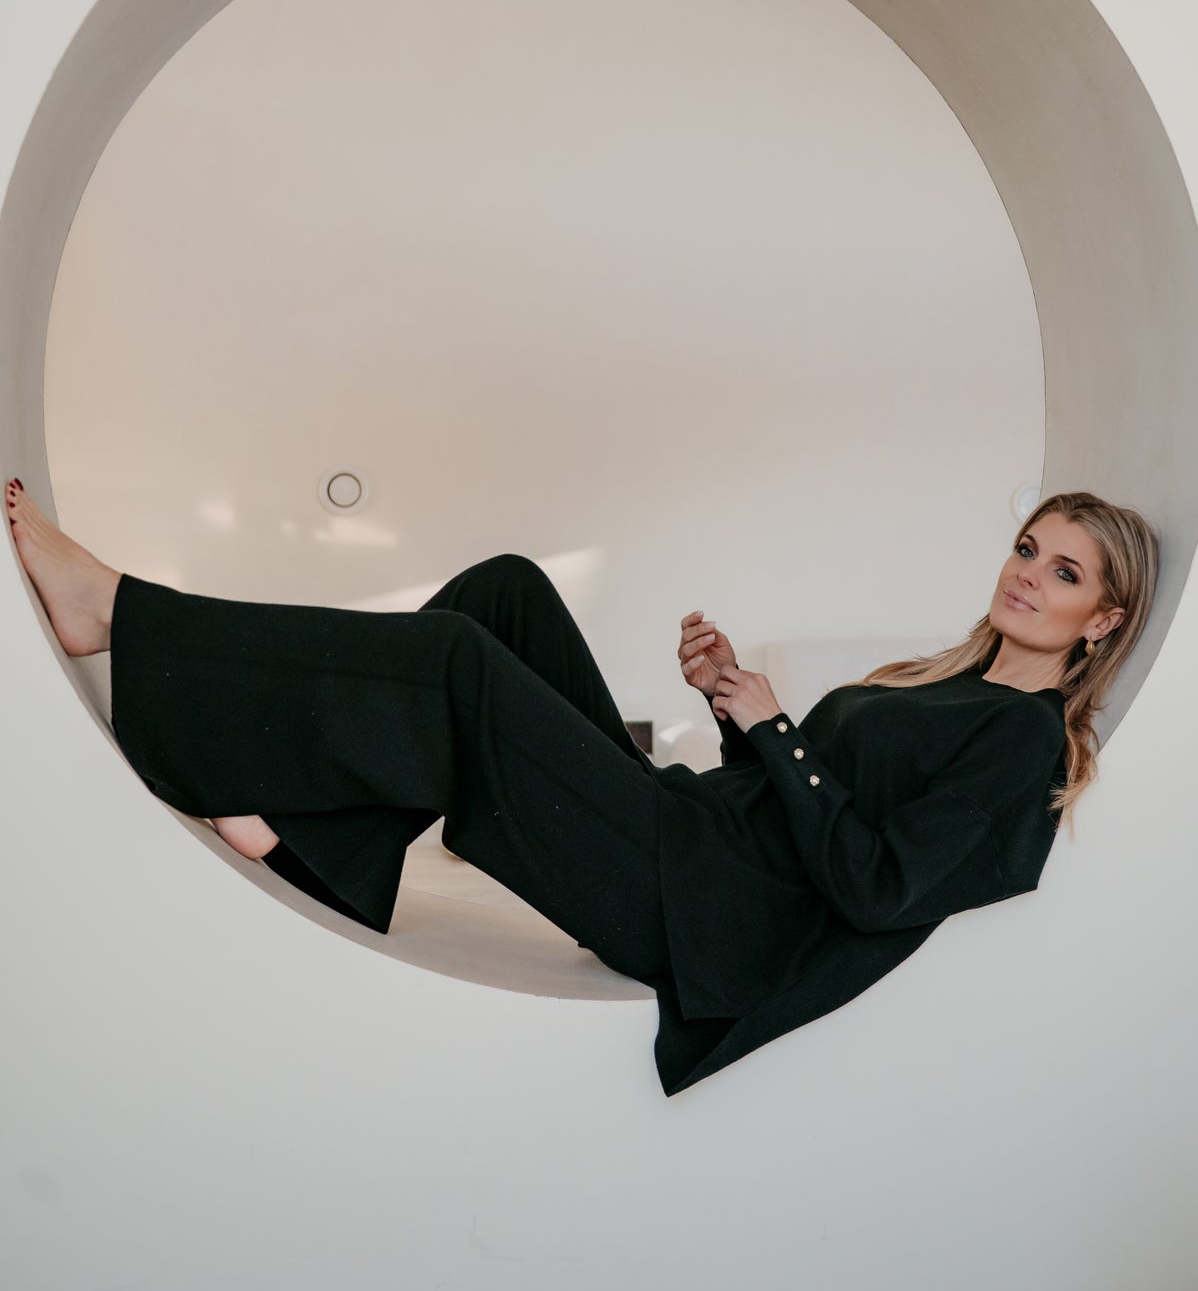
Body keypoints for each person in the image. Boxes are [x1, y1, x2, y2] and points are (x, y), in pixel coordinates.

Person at [3, 479, 1158, 1097]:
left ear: (1101, 620)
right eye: (1027, 547)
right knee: (504, 593)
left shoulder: (1024, 743)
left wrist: (779, 730)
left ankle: (120, 615)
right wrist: (731, 709)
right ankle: (314, 847)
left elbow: (875, 884)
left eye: (1063, 572)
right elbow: (791, 806)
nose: (1028, 576)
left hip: (694, 907)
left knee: (456, 662)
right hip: (689, 833)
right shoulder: (940, 683)